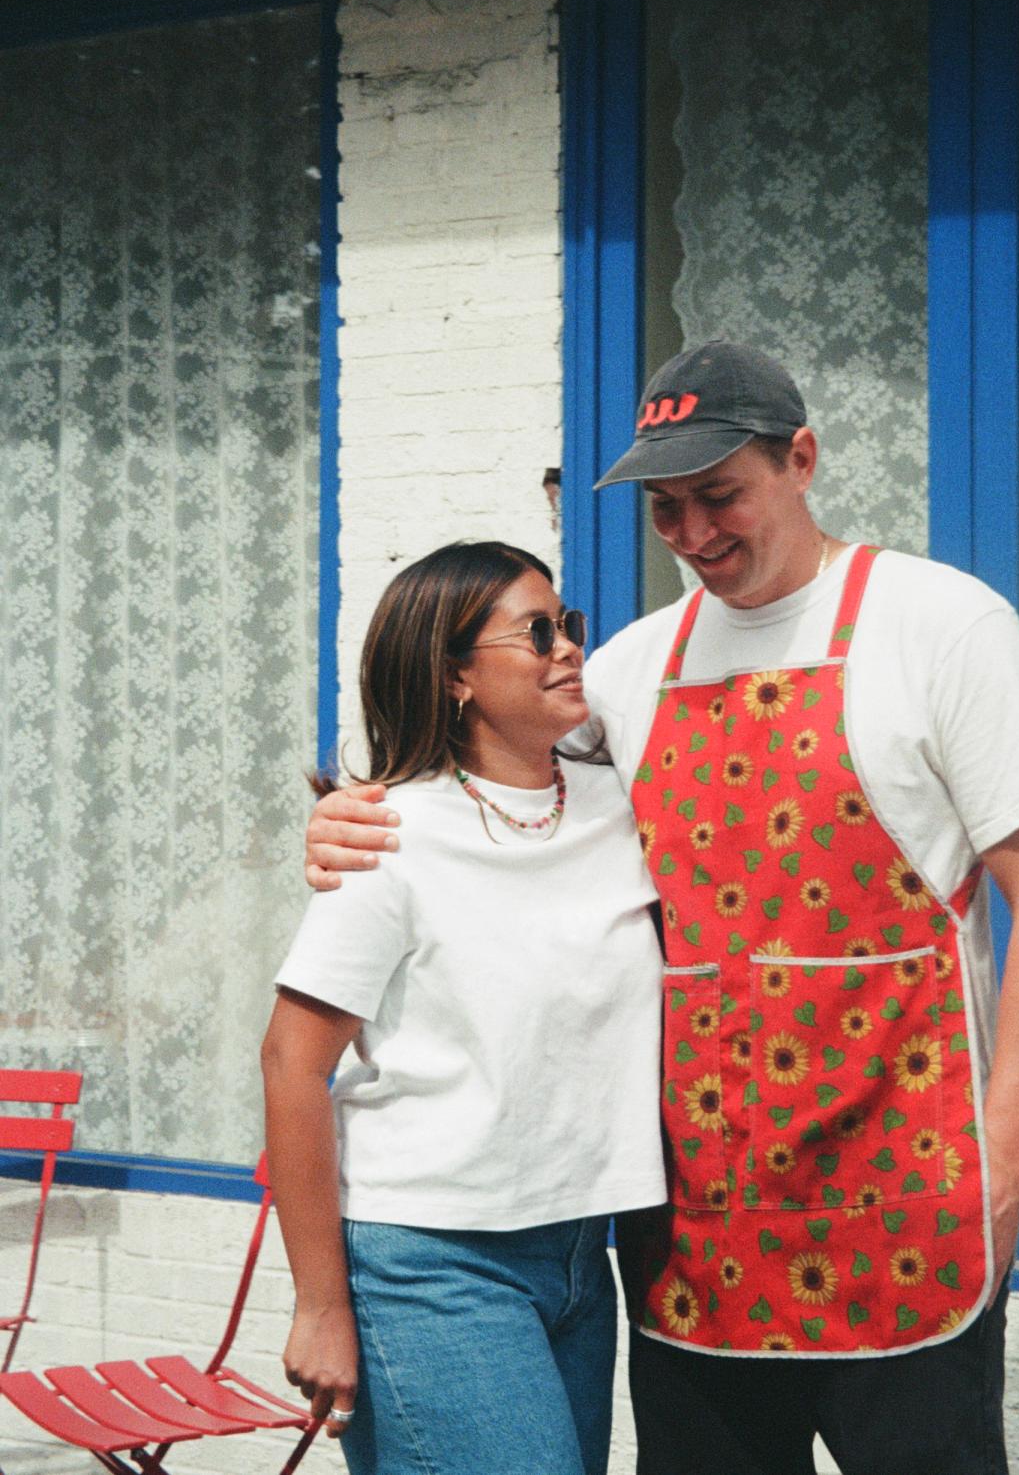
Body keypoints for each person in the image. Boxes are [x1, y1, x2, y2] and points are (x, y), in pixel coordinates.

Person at [305, 342, 1019, 1475]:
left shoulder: (941, 626)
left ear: (802, 460)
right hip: (697, 1226)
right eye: (666, 508)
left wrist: (1005, 1168)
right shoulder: (629, 669)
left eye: (719, 493)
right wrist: (350, 817)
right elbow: (483, 785)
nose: (693, 533)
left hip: (905, 1198)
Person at [262, 540, 666, 1475]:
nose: (567, 648)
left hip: (580, 1253)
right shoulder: (389, 836)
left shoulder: (622, 806)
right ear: (453, 677)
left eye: (567, 624)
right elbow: (292, 1062)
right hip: (430, 1263)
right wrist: (320, 1305)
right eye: (535, 632)